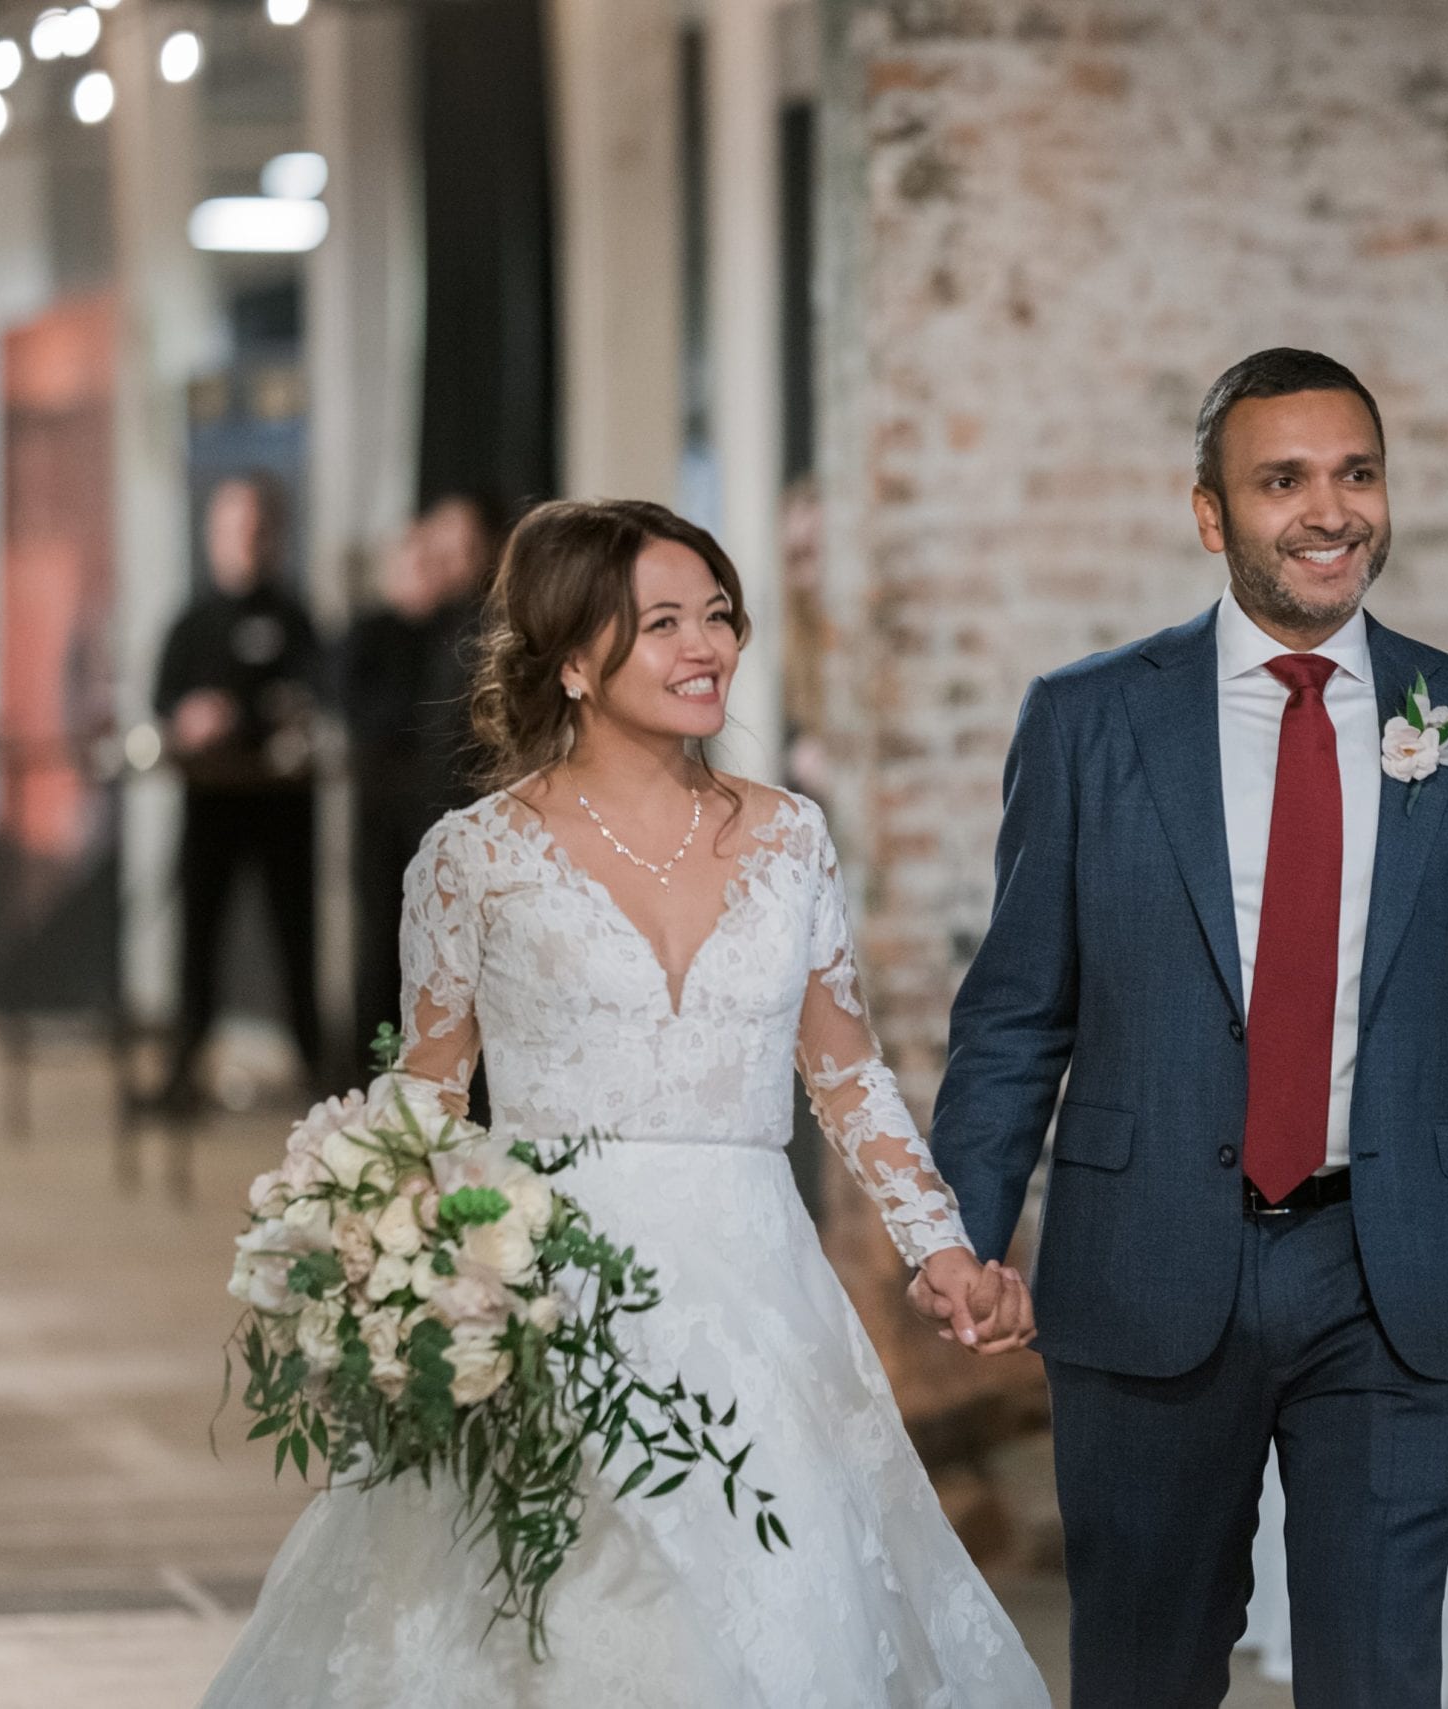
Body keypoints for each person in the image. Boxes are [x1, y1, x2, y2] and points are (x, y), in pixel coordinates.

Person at [201, 499, 1050, 1707]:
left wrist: (942, 1248)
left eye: (716, 614)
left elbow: (847, 1071)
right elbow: (425, 1103)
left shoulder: (791, 836)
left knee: (784, 1615)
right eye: (660, 623)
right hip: (550, 1299)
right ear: (573, 659)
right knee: (562, 1630)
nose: (705, 645)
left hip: (762, 1306)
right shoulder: (472, 856)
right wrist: (378, 1270)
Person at [920, 349, 1448, 1708]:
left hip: (1395, 1279)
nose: (1330, 510)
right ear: (1210, 515)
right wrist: (962, 1234)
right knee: (1144, 1673)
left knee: (1378, 1678)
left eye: (1356, 473)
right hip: (1143, 1270)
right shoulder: (1087, 722)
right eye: (1283, 479)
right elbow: (1014, 1014)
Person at [152, 473, 325, 1110]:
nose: (244, 542)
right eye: (232, 529)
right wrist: (189, 720)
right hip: (210, 806)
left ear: (274, 537)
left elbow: (311, 696)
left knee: (293, 933)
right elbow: (163, 699)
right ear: (212, 537)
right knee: (200, 937)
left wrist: (246, 716)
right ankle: (183, 1067)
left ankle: (316, 1062)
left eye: (255, 529)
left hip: (282, 807)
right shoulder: (191, 623)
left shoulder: (294, 618)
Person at [341, 494, 495, 1078]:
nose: (439, 569)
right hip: (386, 827)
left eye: (453, 555)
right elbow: (365, 711)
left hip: (448, 822)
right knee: (384, 956)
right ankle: (376, 1078)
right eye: (428, 556)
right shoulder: (375, 633)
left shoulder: (467, 633)